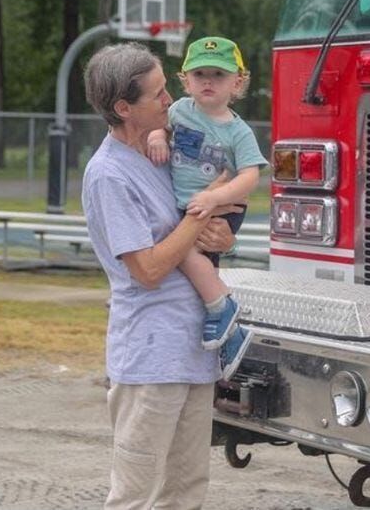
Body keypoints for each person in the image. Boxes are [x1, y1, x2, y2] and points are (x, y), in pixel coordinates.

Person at [81, 42, 251, 509]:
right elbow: (149, 269)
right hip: (150, 359)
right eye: (157, 93)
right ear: (123, 108)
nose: (169, 100)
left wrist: (222, 237)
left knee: (185, 489)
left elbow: (198, 227)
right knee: (136, 495)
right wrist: (204, 210)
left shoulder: (165, 155)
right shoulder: (109, 175)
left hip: (194, 350)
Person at [145, 36, 267, 354]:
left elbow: (250, 175)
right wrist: (157, 137)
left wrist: (215, 199)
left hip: (220, 206)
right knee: (199, 270)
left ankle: (221, 307)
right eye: (200, 74)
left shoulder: (238, 132)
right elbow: (162, 129)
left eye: (218, 74)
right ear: (186, 81)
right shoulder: (179, 111)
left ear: (237, 82)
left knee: (186, 254)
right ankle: (230, 337)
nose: (208, 81)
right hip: (189, 206)